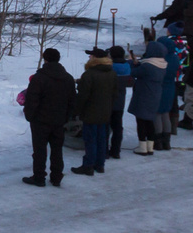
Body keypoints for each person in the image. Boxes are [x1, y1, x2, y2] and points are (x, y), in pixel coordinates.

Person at [22, 47, 76, 186]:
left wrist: (30, 116)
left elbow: (32, 99)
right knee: (57, 150)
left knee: (40, 150)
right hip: (59, 120)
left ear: (45, 59)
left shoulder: (39, 78)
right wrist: (67, 117)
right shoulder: (68, 78)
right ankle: (56, 177)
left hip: (40, 121)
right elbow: (72, 101)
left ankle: (39, 177)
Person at [71, 48, 124, 176]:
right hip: (105, 111)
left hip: (91, 112)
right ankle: (100, 165)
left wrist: (76, 110)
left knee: (90, 139)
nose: (89, 58)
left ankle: (88, 165)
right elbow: (115, 93)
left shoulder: (89, 74)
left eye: (91, 56)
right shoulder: (111, 73)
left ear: (96, 59)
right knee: (102, 139)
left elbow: (83, 96)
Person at [130, 37, 175, 154]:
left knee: (141, 122)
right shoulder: (162, 65)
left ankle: (142, 146)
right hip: (155, 95)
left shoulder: (147, 66)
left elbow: (134, 73)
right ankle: (150, 146)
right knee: (150, 121)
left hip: (143, 95)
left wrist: (133, 64)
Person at [106, 45, 131, 158]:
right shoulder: (127, 66)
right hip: (120, 100)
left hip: (107, 100)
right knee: (117, 127)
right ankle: (116, 151)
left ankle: (104, 149)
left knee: (105, 127)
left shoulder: (110, 67)